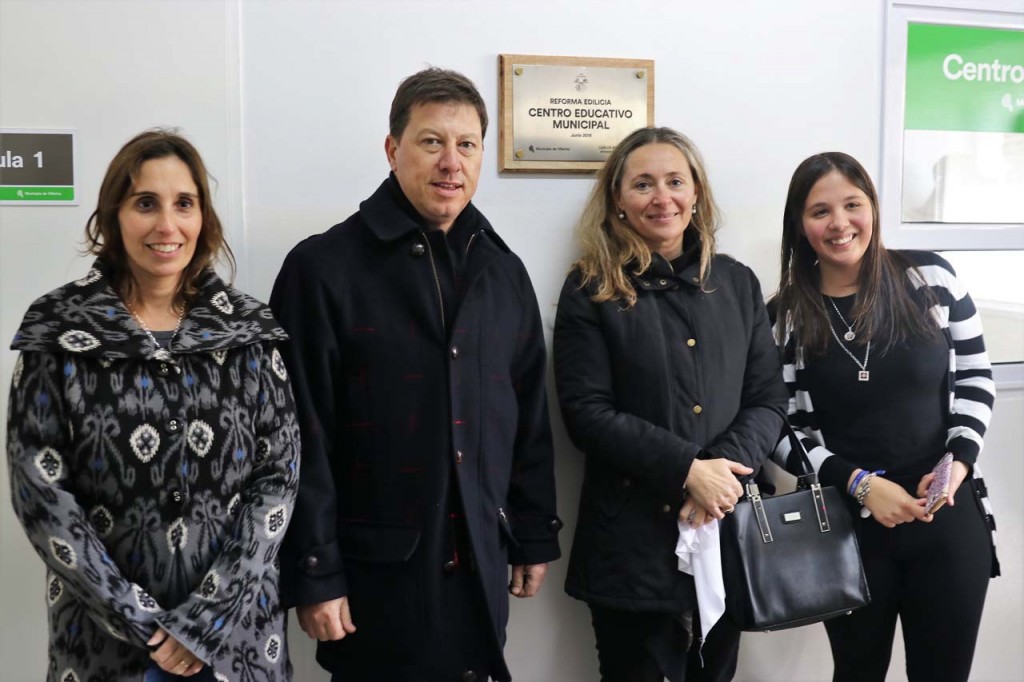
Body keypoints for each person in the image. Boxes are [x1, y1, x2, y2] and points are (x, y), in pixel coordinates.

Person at [269, 67, 561, 682]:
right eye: (432, 142)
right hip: (376, 578)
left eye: (467, 144)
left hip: (480, 562)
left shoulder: (503, 271)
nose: (451, 162)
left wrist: (533, 530)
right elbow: (298, 438)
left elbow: (528, 416)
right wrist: (315, 571)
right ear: (392, 149)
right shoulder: (323, 268)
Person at [6, 130, 300, 681]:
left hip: (237, 641)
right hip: (102, 645)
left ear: (203, 218)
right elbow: (40, 494)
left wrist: (207, 619)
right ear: (113, 216)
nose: (167, 225)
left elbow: (278, 479)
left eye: (184, 204)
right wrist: (139, 620)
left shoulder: (249, 330)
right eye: (146, 203)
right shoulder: (57, 329)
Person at [553, 126, 788, 682]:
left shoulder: (737, 283)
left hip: (727, 531)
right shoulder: (590, 287)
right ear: (618, 200)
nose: (662, 197)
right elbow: (587, 413)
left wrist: (718, 477)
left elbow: (768, 399)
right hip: (630, 547)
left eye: (675, 181)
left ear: (696, 193)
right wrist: (688, 470)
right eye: (643, 184)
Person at [770, 151, 998, 682]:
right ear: (800, 225)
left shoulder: (931, 278)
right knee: (857, 672)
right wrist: (859, 484)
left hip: (944, 516)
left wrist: (957, 464)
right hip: (845, 528)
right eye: (820, 211)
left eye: (852, 204)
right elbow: (777, 426)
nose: (840, 223)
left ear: (872, 206)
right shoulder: (783, 316)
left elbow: (975, 377)